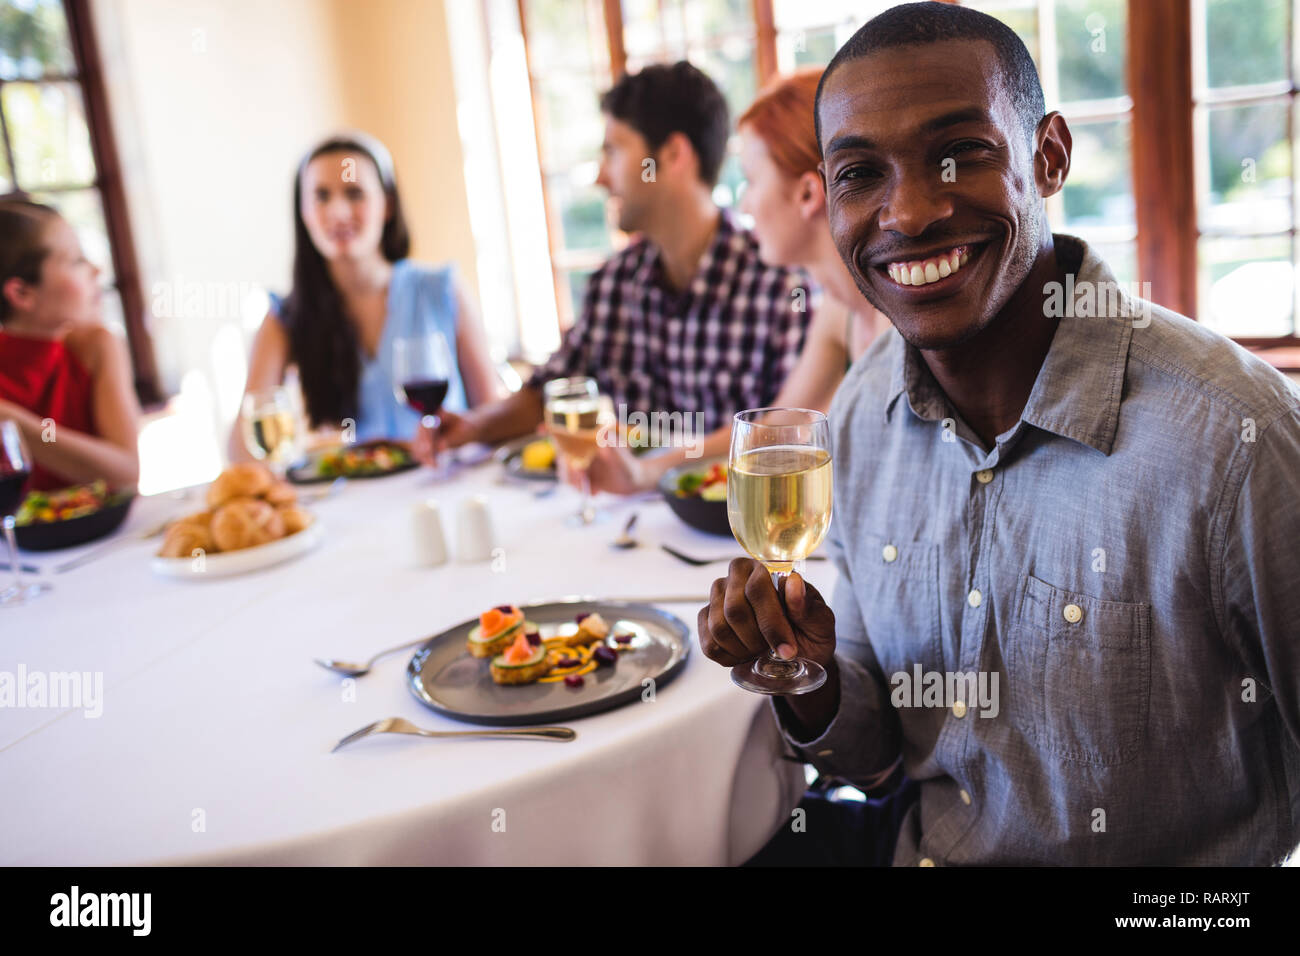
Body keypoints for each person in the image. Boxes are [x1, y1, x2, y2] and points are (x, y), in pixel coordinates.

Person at [699, 1, 1300, 866]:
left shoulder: (1233, 440)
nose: (908, 212)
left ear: (1047, 156)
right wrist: (808, 673)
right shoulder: (864, 415)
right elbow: (875, 756)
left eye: (960, 154)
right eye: (860, 173)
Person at [418, 62, 810, 464]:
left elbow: (786, 434)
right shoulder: (614, 283)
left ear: (672, 155)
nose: (600, 176)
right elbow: (547, 393)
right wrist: (473, 426)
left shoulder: (782, 287)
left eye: (613, 150)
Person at [579, 67, 889, 495]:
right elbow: (768, 434)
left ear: (807, 194)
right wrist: (644, 473)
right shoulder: (838, 311)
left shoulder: (897, 312)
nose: (744, 204)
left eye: (751, 181)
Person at [230, 133, 503, 461]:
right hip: (348, 505)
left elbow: (493, 417)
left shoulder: (442, 289)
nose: (338, 212)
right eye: (321, 196)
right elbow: (242, 449)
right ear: (302, 212)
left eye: (354, 192)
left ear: (387, 204)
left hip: (448, 490)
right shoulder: (284, 318)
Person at [0, 197, 140, 491]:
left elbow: (126, 472)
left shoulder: (97, 346)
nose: (97, 270)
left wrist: (16, 424)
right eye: (76, 261)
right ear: (22, 293)